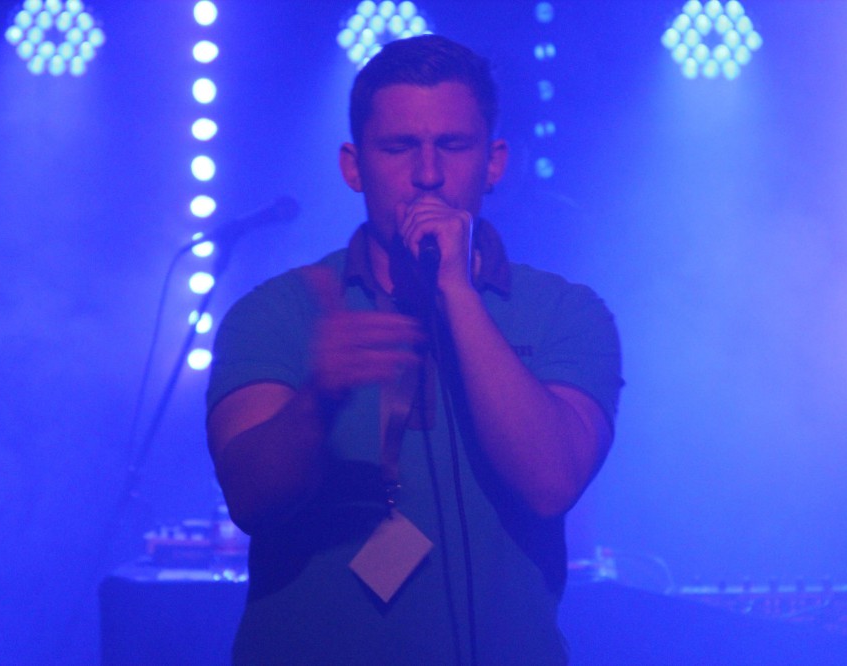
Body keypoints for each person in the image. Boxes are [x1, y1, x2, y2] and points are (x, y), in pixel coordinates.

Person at [206, 34, 623, 665]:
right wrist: (318, 398)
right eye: (399, 147)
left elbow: (551, 482)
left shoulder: (567, 312)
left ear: (494, 162)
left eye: (452, 146)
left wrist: (457, 291)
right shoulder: (279, 313)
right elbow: (250, 500)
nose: (428, 174)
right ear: (353, 167)